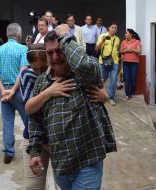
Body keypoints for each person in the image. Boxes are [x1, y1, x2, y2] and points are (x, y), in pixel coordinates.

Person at [28, 25, 117, 189]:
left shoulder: (84, 74)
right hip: (60, 165)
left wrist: (66, 37)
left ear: (68, 47)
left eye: (60, 50)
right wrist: (34, 151)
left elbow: (85, 65)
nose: (55, 57)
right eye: (50, 53)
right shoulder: (41, 82)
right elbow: (36, 120)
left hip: (87, 162)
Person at [20, 43, 76, 190]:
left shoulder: (61, 74)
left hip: (60, 141)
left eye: (43, 68)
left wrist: (105, 95)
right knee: (33, 186)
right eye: (34, 68)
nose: (38, 72)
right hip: (34, 140)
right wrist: (49, 92)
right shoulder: (27, 75)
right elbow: (29, 108)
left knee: (63, 185)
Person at [0, 23, 29, 164]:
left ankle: (8, 152)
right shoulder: (23, 49)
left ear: (7, 35)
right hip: (19, 91)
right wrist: (13, 91)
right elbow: (23, 72)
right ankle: (33, 148)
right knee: (28, 119)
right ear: (19, 35)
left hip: (4, 91)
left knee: (7, 123)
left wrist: (3, 91)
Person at [96, 22, 120, 106]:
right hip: (103, 62)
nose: (114, 29)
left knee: (113, 80)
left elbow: (116, 50)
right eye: (112, 27)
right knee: (101, 80)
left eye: (115, 28)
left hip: (114, 62)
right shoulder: (103, 36)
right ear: (108, 28)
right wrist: (103, 41)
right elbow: (96, 48)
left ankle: (111, 98)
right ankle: (98, 95)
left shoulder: (117, 39)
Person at [120, 28, 142, 101]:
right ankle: (127, 94)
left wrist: (132, 50)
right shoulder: (123, 42)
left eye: (127, 33)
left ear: (131, 35)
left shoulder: (137, 42)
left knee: (133, 79)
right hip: (125, 62)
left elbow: (139, 51)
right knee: (127, 79)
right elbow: (121, 51)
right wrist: (127, 50)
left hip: (134, 63)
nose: (125, 34)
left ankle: (132, 92)